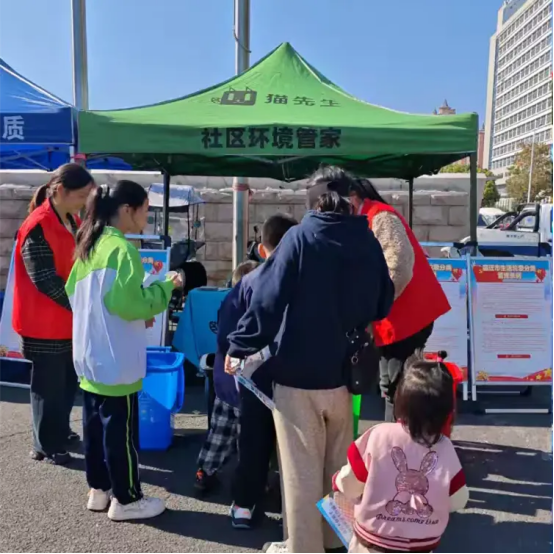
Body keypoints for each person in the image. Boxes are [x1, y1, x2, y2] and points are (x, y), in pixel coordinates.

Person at [226, 166, 395, 554]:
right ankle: (336, 543)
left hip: (297, 377)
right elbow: (383, 302)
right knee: (339, 474)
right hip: (345, 377)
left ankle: (303, 547)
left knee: (300, 476)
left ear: (313, 201)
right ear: (350, 200)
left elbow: (266, 300)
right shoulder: (367, 241)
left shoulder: (300, 238)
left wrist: (239, 347)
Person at [65, 180, 183, 522]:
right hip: (116, 358)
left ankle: (99, 490)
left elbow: (76, 294)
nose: (147, 217)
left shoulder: (89, 245)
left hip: (89, 355)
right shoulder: (122, 249)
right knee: (120, 433)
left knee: (95, 428)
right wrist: (166, 287)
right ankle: (127, 499)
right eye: (146, 209)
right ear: (128, 210)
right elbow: (130, 303)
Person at [333, 351, 469, 553]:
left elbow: (350, 483)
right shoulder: (445, 447)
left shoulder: (378, 435)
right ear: (448, 411)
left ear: (399, 399)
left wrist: (337, 481)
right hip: (421, 544)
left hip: (373, 542)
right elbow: (458, 500)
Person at [12, 163, 95, 466]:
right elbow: (45, 279)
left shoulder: (71, 219)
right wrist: (82, 307)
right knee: (48, 388)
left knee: (66, 382)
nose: (84, 202)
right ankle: (45, 445)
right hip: (42, 321)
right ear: (60, 191)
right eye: (81, 196)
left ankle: (58, 431)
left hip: (66, 320)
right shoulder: (38, 225)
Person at [349, 179, 451, 422]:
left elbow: (399, 268)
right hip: (394, 317)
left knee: (397, 385)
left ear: (353, 196)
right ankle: (400, 435)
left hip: (406, 317)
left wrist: (371, 307)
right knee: (390, 383)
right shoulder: (364, 218)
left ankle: (401, 438)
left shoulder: (380, 216)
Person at [230, 213, 298, 530]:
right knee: (295, 447)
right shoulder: (305, 282)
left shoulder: (249, 281)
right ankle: (294, 510)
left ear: (261, 248)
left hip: (253, 378)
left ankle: (244, 506)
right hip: (294, 378)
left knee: (252, 443)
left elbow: (229, 327)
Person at [195, 260, 260, 495]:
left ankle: (204, 471)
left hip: (224, 381)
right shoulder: (256, 305)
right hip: (249, 384)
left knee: (219, 432)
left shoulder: (228, 303)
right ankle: (249, 481)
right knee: (250, 438)